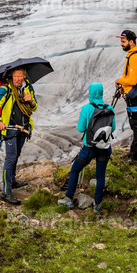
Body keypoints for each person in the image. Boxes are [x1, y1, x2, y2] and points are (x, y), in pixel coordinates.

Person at [58, 82, 115, 213]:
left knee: (75, 170)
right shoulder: (110, 108)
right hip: (105, 148)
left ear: (91, 93)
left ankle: (69, 198)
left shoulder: (87, 108)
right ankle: (98, 204)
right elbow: (114, 128)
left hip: (89, 148)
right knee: (100, 175)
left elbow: (80, 128)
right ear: (101, 93)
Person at [0, 67, 37, 205]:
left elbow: (34, 108)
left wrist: (31, 101)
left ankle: (13, 181)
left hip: (23, 128)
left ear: (24, 76)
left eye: (19, 76)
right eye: (14, 76)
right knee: (10, 158)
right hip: (10, 129)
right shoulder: (6, 89)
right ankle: (6, 192)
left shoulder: (28, 88)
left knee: (16, 155)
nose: (16, 79)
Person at [114, 29, 137, 163]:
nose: (121, 44)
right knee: (135, 126)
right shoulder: (132, 55)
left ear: (131, 42)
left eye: (123, 41)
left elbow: (133, 80)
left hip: (136, 97)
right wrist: (124, 88)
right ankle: (133, 152)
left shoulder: (135, 57)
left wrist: (119, 81)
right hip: (133, 94)